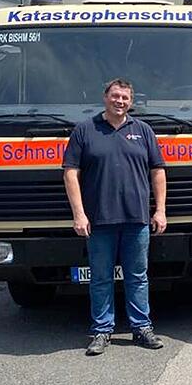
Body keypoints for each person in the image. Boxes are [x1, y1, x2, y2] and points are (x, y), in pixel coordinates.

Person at [63, 78, 167, 356]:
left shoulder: (143, 130)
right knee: (100, 278)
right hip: (98, 221)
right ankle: (101, 332)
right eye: (115, 96)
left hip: (137, 220)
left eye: (125, 98)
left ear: (131, 102)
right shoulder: (85, 130)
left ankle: (142, 328)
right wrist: (79, 214)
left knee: (138, 276)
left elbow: (158, 171)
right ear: (105, 97)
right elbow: (70, 173)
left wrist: (160, 210)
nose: (120, 101)